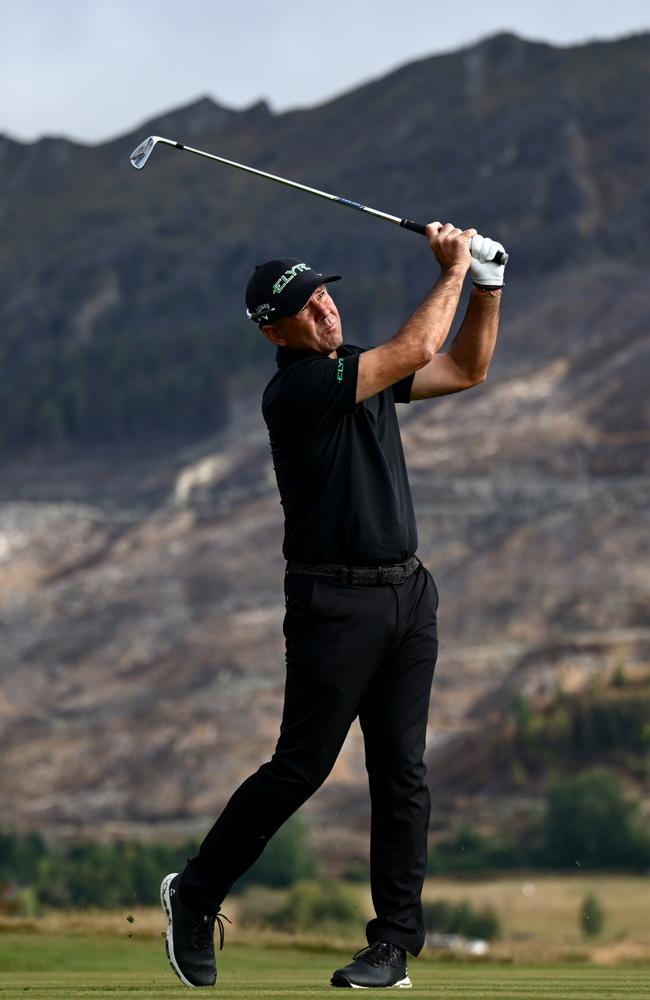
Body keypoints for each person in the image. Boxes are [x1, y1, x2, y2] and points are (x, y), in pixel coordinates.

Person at [161, 222, 505, 989]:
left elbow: (466, 367)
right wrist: (455, 266)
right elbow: (418, 348)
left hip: (408, 595)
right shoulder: (300, 389)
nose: (326, 313)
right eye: (307, 309)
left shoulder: (355, 368)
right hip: (334, 602)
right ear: (272, 329)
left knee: (402, 772)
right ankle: (196, 892)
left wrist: (489, 285)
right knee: (301, 767)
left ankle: (392, 949)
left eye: (325, 297)